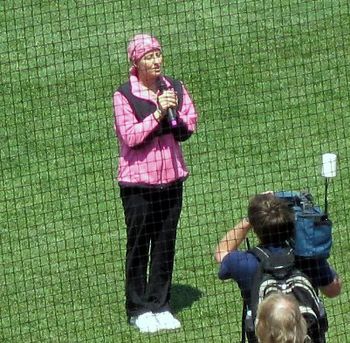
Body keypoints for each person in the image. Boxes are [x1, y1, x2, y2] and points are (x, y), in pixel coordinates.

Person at [113, 33, 198, 333]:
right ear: (136, 62)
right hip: (138, 185)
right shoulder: (125, 95)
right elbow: (131, 137)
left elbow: (191, 120)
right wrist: (159, 113)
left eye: (158, 54)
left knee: (165, 243)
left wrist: (177, 119)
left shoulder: (173, 87)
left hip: (172, 181)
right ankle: (138, 309)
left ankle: (160, 304)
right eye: (149, 56)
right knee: (139, 245)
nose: (157, 60)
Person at [214, 193, 342, 341]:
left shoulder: (244, 263)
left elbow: (221, 252)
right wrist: (318, 257)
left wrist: (250, 219)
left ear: (255, 229)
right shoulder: (308, 258)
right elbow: (333, 290)